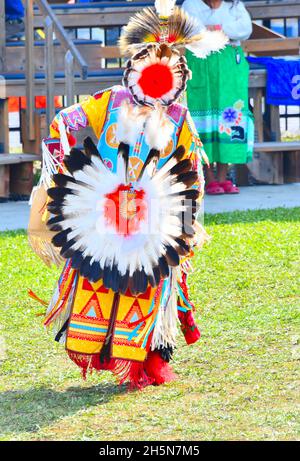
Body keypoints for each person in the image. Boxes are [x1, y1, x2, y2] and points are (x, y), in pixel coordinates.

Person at [28, 0, 227, 389]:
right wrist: (58, 168)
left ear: (177, 69)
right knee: (101, 280)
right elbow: (65, 122)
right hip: (104, 210)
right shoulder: (111, 101)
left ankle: (140, 361)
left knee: (147, 283)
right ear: (137, 60)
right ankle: (103, 350)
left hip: (153, 219)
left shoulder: (179, 117)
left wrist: (188, 222)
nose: (158, 62)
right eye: (150, 54)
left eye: (167, 57)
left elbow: (191, 170)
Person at [182, 0, 254, 195]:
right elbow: (193, 32)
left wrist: (217, 28)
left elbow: (245, 29)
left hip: (230, 66)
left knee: (228, 116)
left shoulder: (235, 5)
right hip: (202, 64)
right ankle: (208, 177)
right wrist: (222, 32)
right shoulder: (191, 5)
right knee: (205, 118)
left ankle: (223, 177)